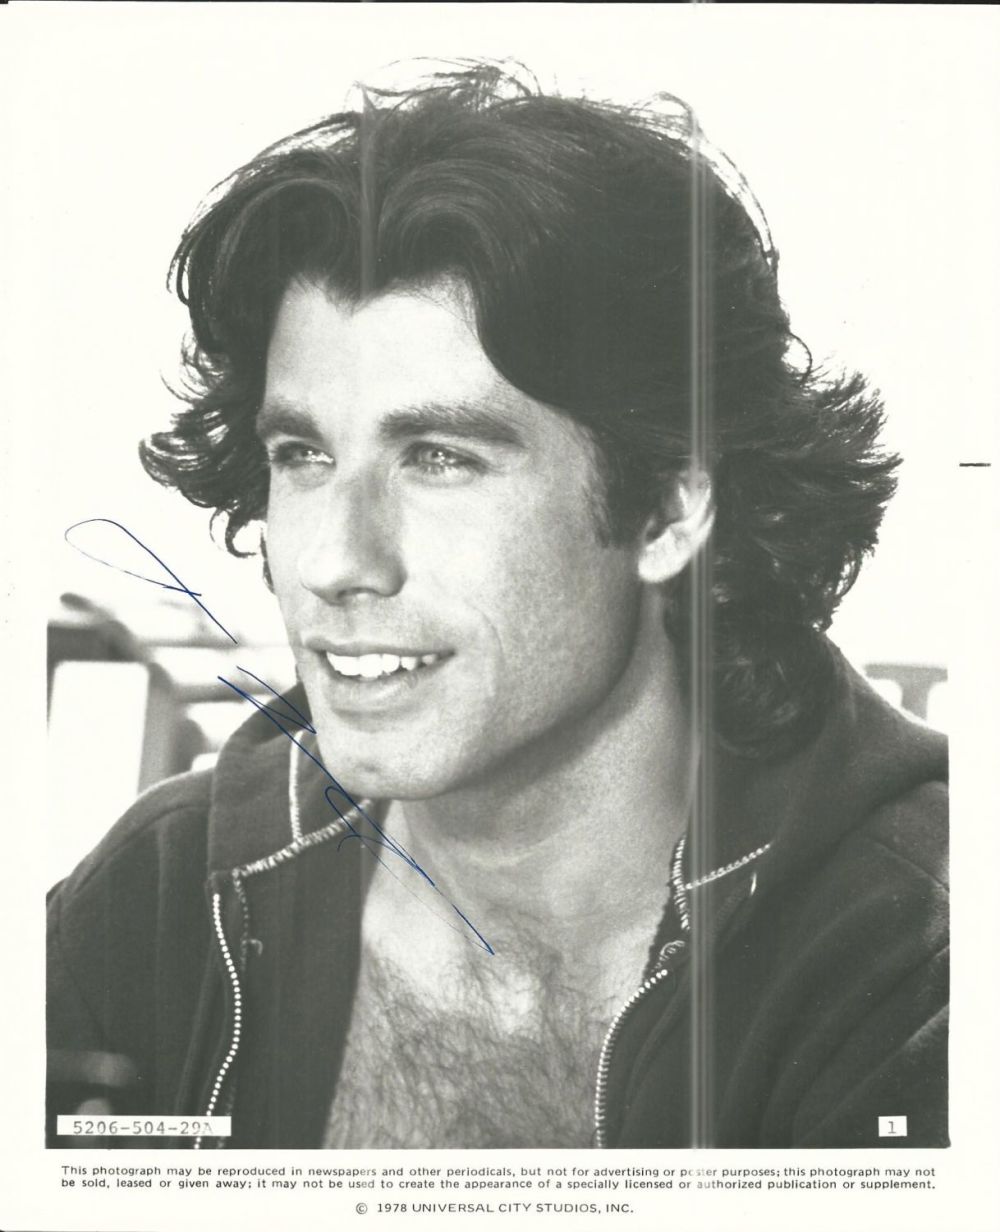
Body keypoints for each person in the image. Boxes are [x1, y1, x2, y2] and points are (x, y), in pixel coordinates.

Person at [46, 63, 948, 1150]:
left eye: (439, 458)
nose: (334, 560)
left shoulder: (919, 961)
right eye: (302, 454)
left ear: (669, 508)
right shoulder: (159, 899)